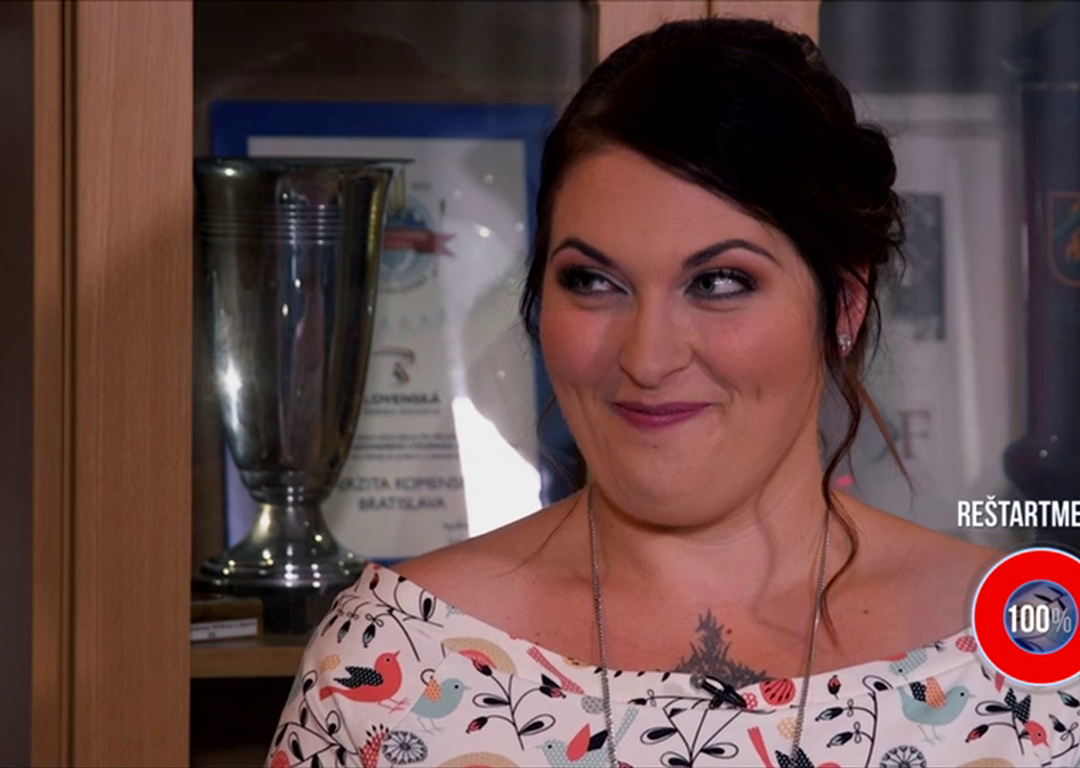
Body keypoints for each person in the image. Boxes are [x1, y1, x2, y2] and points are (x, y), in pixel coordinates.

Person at [267, 18, 1077, 768]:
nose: (647, 357)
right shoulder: (396, 661)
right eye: (592, 281)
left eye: (719, 281)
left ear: (846, 304)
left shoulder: (1036, 656)